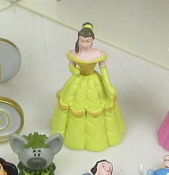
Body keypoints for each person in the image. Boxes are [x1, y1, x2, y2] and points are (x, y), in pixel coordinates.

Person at [50, 24, 125, 152]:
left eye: (88, 41)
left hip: (95, 82)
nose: (85, 44)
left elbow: (103, 69)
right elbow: (71, 66)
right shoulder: (74, 53)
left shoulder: (98, 54)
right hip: (78, 81)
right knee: (73, 105)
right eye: (82, 41)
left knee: (98, 107)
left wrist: (108, 85)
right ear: (78, 39)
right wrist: (74, 71)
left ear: (93, 40)